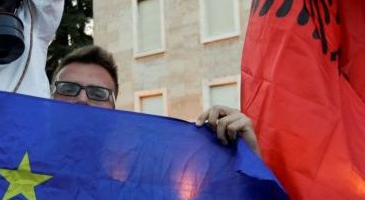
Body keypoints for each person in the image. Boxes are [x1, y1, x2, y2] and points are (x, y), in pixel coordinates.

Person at [51, 45, 261, 156]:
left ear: (113, 108)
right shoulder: (18, 153)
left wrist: (246, 158)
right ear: (50, 97)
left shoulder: (145, 171)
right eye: (68, 89)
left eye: (98, 93)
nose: (82, 99)